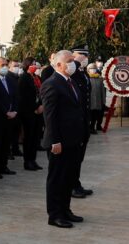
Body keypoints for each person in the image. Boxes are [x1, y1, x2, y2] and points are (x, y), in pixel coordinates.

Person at [41, 50, 87, 229]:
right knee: (57, 179)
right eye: (69, 61)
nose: (73, 64)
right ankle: (55, 214)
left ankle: (66, 210)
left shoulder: (70, 82)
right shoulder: (52, 84)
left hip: (73, 140)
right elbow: (50, 116)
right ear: (59, 64)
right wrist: (55, 141)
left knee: (68, 177)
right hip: (59, 142)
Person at [70, 45, 94, 198]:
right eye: (82, 56)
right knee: (73, 157)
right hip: (76, 122)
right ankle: (72, 186)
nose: (85, 59)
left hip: (84, 120)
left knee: (80, 156)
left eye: (86, 56)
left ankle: (76, 183)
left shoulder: (83, 73)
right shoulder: (72, 74)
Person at [19, 59, 44, 171]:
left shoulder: (36, 77)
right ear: (26, 65)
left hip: (38, 111)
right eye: (32, 64)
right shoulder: (23, 78)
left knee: (35, 137)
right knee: (28, 138)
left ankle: (33, 160)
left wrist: (41, 105)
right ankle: (27, 161)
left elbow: (40, 93)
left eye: (35, 64)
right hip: (28, 112)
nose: (34, 66)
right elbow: (23, 98)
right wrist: (34, 108)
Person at [86, 63, 106, 132]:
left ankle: (93, 127)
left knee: (96, 115)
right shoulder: (87, 78)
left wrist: (103, 100)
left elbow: (102, 91)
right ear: (88, 70)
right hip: (90, 101)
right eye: (91, 69)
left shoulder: (99, 79)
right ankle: (89, 127)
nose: (93, 70)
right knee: (89, 115)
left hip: (98, 100)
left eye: (94, 68)